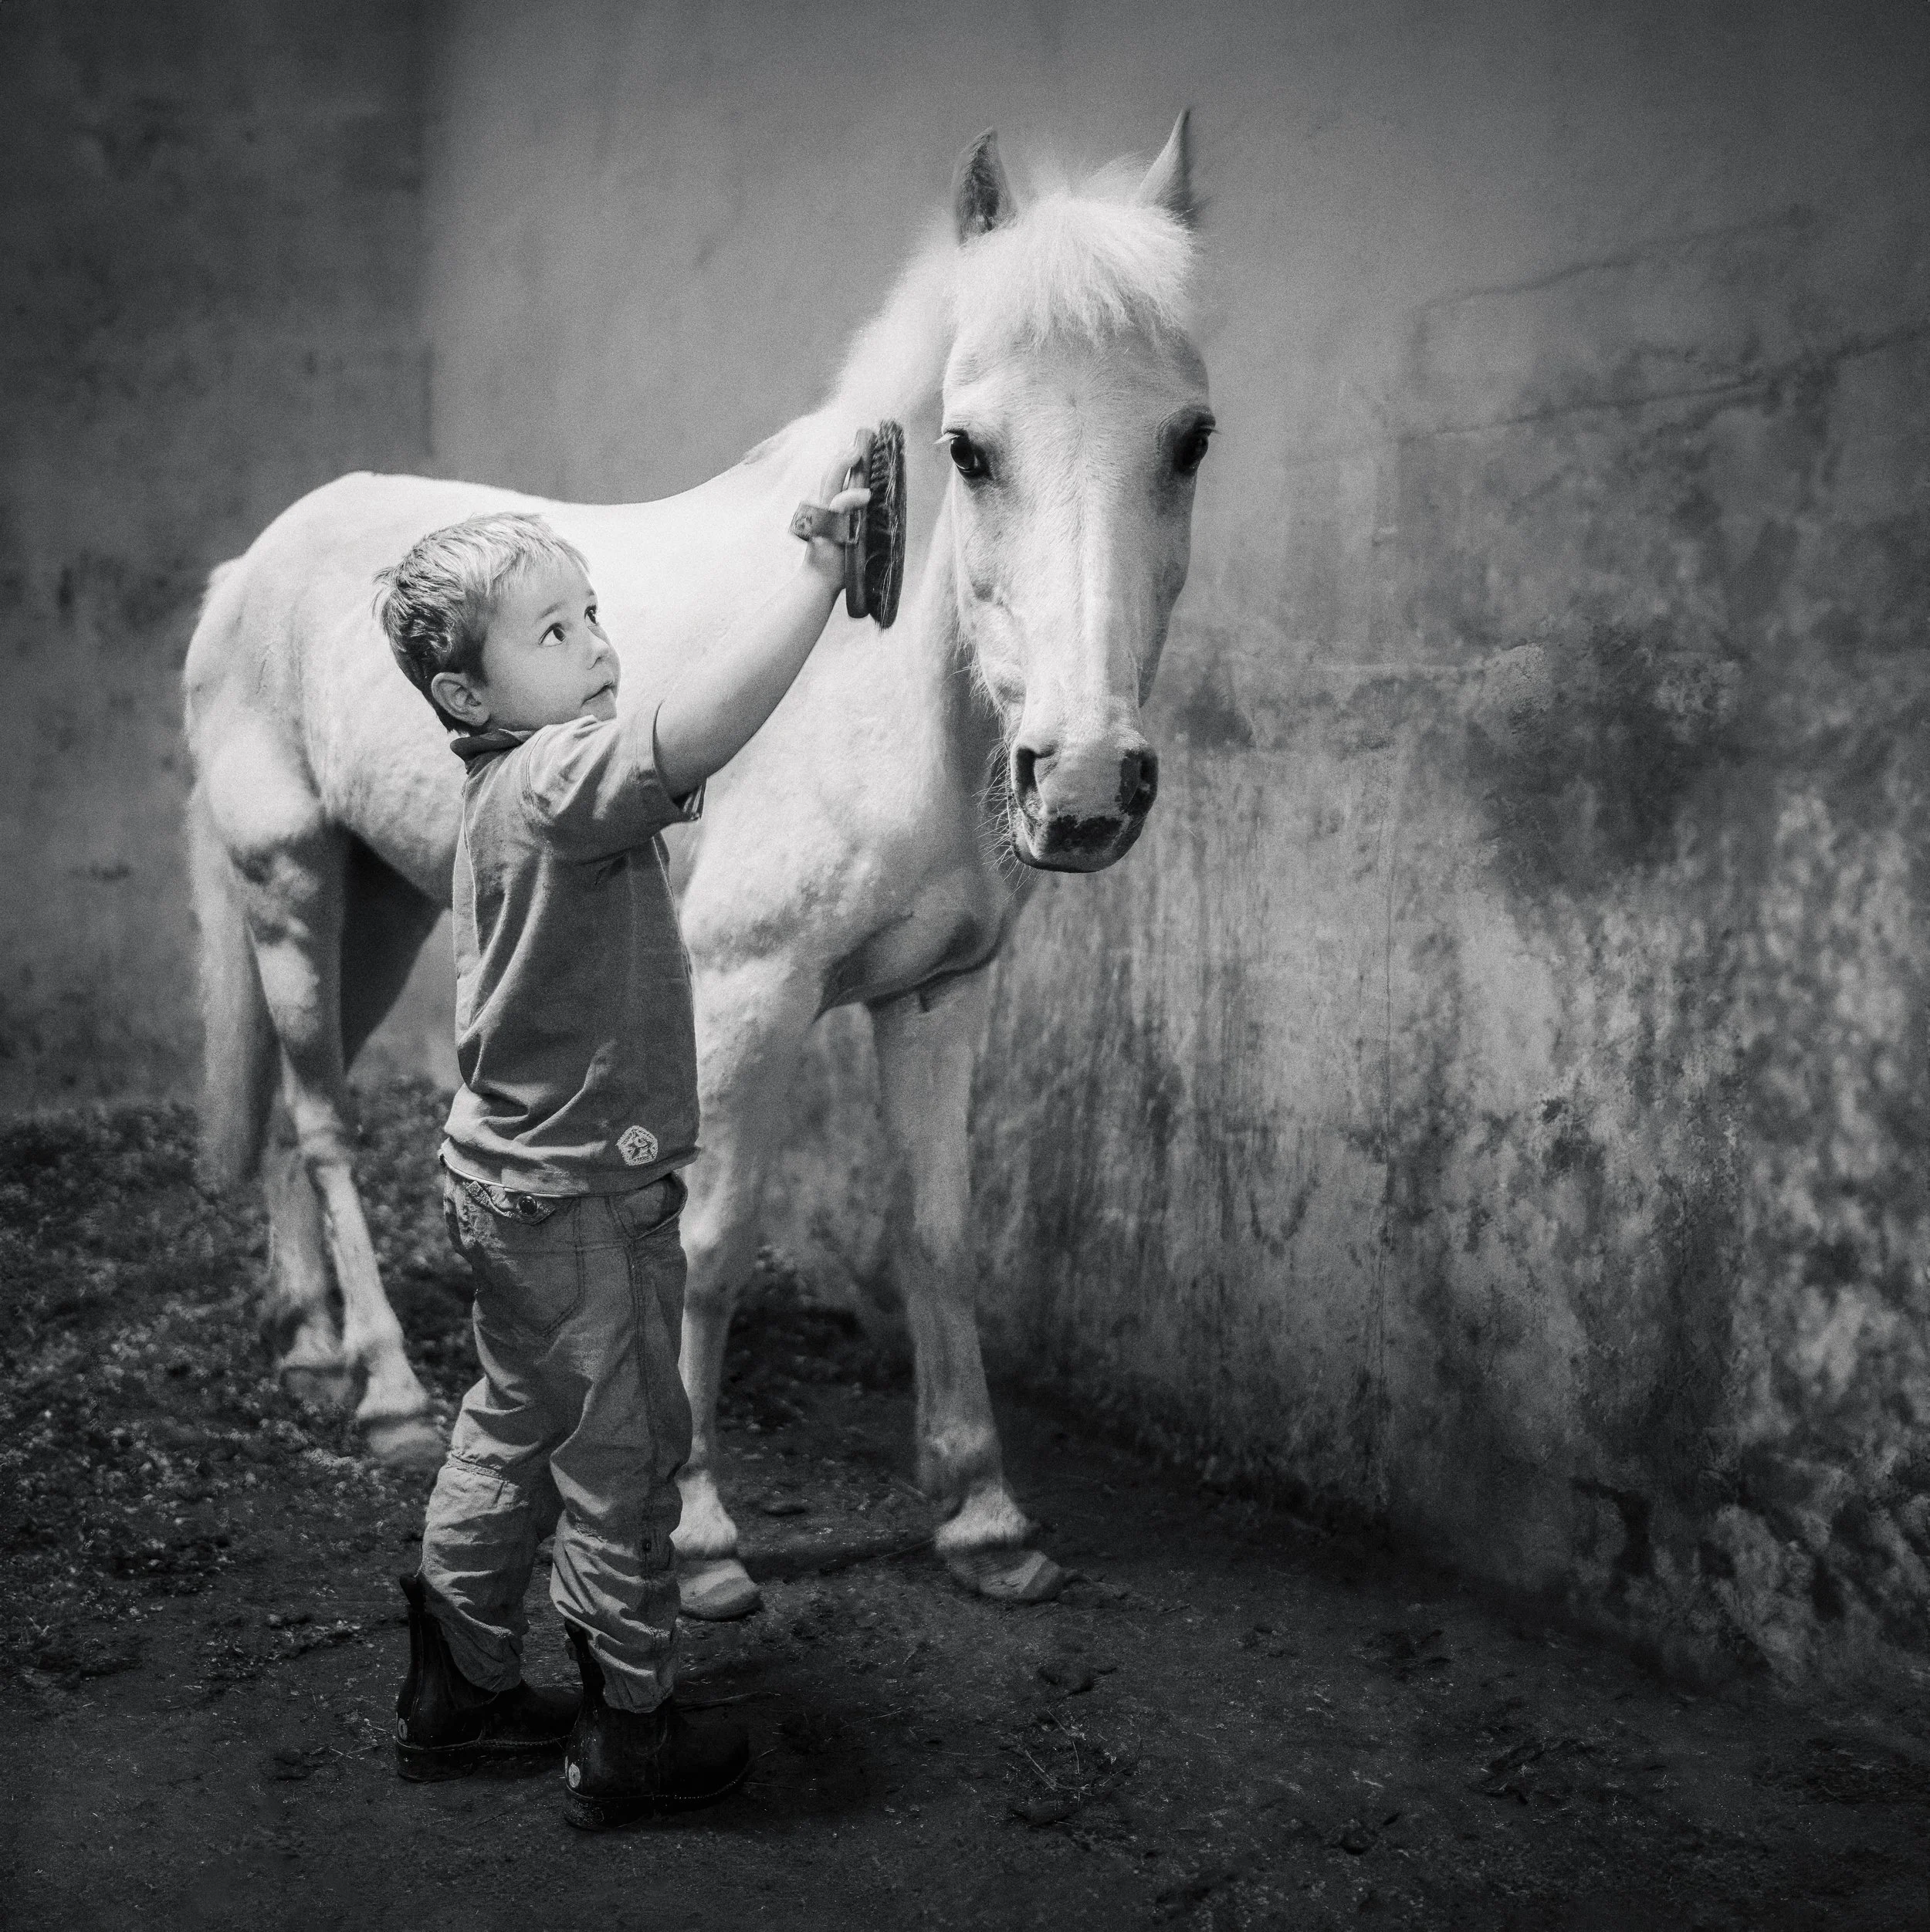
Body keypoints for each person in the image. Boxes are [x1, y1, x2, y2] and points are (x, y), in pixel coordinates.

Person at [375, 434, 875, 1828]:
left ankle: (459, 1686)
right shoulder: (556, 787)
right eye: (554, 629)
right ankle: (632, 1720)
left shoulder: (503, 788)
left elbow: (666, 721)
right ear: (467, 691)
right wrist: (819, 578)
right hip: (590, 1200)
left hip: (507, 1189)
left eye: (593, 614)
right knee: (629, 1454)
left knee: (512, 1420)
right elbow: (693, 729)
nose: (596, 644)